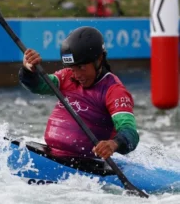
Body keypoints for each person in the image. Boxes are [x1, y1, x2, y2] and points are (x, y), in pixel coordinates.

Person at [19, 26, 139, 160]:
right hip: (52, 153)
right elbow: (38, 86)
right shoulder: (67, 76)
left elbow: (130, 132)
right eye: (72, 68)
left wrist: (113, 144)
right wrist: (28, 70)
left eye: (81, 67)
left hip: (85, 165)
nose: (76, 75)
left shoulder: (114, 90)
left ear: (99, 59)